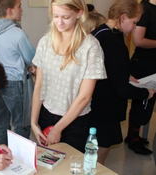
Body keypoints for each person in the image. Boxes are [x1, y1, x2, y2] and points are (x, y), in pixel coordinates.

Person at [31, 0, 107, 153]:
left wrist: (58, 128)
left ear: (79, 13)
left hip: (75, 121)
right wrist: (33, 122)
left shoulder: (91, 46)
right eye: (55, 15)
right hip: (46, 115)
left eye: (65, 17)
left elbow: (85, 96)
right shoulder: (45, 42)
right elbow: (39, 85)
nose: (59, 22)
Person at [90, 0, 155, 164]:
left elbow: (110, 67)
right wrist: (145, 93)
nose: (135, 27)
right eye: (134, 23)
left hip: (97, 98)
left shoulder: (103, 31)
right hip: (104, 103)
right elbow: (121, 89)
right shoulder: (113, 42)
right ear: (123, 17)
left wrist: (125, 74)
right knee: (102, 146)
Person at [0, 0, 35, 145]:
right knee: (21, 123)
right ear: (10, 10)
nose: (22, 10)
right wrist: (29, 66)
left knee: (2, 120)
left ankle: (1, 154)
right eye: (19, 6)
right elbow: (32, 57)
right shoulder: (17, 34)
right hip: (15, 83)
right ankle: (21, 159)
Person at [125, 0, 156, 155]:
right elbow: (138, 40)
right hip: (144, 63)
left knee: (148, 103)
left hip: (152, 62)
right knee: (141, 102)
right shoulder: (145, 9)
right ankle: (133, 139)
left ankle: (134, 136)